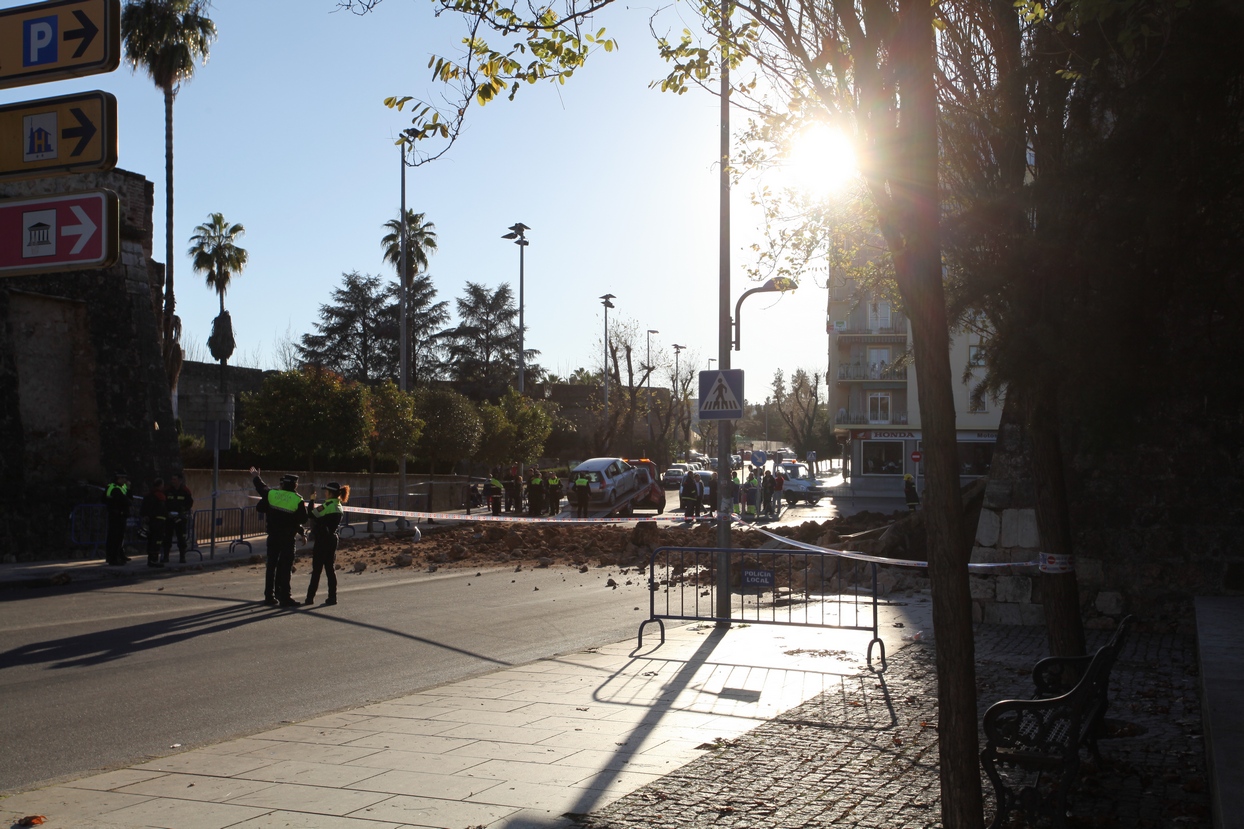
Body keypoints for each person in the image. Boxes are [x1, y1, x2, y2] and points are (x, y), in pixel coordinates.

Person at [251, 467, 309, 608]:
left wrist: (256, 477)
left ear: (283, 484)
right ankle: (285, 597)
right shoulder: (297, 499)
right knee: (285, 567)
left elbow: (262, 488)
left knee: (271, 566)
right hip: (287, 539)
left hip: (273, 536)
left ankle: (269, 596)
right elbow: (302, 519)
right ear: (295, 485)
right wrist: (301, 532)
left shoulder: (273, 494)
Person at [305, 483, 348, 606]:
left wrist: (312, 500)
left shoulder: (328, 505)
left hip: (323, 539)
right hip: (333, 539)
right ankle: (332, 597)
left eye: (326, 491)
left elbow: (311, 514)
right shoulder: (338, 505)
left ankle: (310, 598)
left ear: (330, 493)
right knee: (330, 568)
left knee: (317, 569)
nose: (325, 493)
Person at [163, 472, 194, 563]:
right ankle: (165, 556)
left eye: (175, 479)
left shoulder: (185, 491)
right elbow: (163, 502)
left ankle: (182, 557)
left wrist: (183, 511)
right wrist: (167, 513)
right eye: (172, 479)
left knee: (181, 538)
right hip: (169, 517)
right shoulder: (167, 490)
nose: (173, 481)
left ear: (180, 480)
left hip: (180, 518)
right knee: (167, 537)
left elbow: (190, 503)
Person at [103, 471, 132, 566]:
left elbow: (129, 499)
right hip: (116, 515)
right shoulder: (114, 488)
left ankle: (119, 555)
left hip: (121, 515)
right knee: (114, 537)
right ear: (118, 478)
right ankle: (113, 558)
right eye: (123, 478)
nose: (125, 480)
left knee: (119, 537)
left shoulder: (121, 487)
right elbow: (127, 501)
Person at [141, 477, 167, 568]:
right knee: (157, 541)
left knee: (151, 540)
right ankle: (154, 560)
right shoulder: (160, 496)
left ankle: (150, 559)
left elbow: (143, 509)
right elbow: (163, 509)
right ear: (160, 485)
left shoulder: (148, 495)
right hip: (159, 522)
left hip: (151, 522)